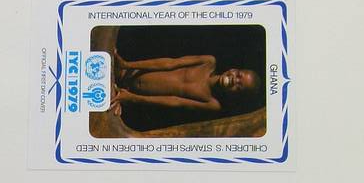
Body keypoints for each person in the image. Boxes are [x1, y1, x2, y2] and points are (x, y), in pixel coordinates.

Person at [110, 48, 262, 117]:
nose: (235, 80)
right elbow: (169, 63)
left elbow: (174, 102)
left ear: (236, 95)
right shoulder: (208, 62)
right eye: (239, 75)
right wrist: (126, 65)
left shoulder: (212, 102)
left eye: (239, 87)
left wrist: (131, 98)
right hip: (128, 71)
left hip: (127, 95)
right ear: (234, 69)